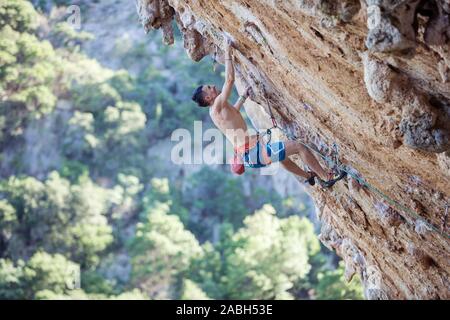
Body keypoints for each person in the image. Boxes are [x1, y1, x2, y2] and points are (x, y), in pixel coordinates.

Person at [192, 39, 344, 187]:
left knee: (282, 157)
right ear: (208, 98)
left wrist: (244, 97)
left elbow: (234, 113)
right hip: (252, 152)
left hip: (250, 154)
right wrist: (227, 51)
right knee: (299, 147)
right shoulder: (217, 105)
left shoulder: (217, 111)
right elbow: (230, 79)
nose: (213, 86)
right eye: (209, 88)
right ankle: (327, 177)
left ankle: (308, 176)